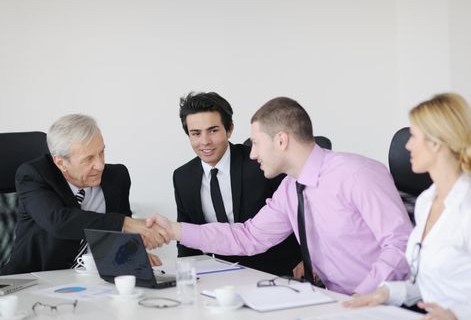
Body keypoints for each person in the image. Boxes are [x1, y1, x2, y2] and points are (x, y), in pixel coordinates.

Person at [149, 97, 412, 295]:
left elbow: (400, 244)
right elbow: (248, 236)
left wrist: (361, 298)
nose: (252, 154)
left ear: (281, 141)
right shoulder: (290, 188)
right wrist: (175, 230)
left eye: (257, 143)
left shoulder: (356, 174)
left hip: (380, 303)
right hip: (331, 301)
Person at [344, 93, 471, 320]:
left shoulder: (466, 206)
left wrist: (457, 316)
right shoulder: (425, 202)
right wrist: (386, 293)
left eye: (413, 136)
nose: (407, 145)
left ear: (435, 142)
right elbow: (431, 283)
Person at [0, 114, 163, 275]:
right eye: (89, 159)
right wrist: (125, 223)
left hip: (90, 281)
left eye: (101, 153)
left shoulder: (117, 177)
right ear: (60, 162)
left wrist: (131, 255)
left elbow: (118, 236)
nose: (100, 165)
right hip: (32, 280)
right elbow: (59, 222)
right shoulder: (34, 176)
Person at [173, 92, 301, 276]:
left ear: (229, 129)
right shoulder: (183, 176)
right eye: (196, 133)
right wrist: (185, 275)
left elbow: (298, 216)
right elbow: (186, 239)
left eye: (213, 130)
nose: (205, 142)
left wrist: (308, 259)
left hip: (276, 271)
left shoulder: (262, 164)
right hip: (218, 275)